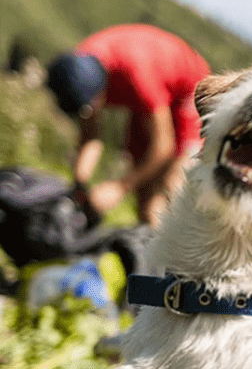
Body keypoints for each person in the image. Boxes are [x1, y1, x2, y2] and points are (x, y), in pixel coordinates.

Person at [46, 24, 210, 226]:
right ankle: (147, 245)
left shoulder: (138, 75)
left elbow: (163, 147)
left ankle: (178, 249)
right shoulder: (79, 70)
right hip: (148, 104)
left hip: (189, 93)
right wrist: (79, 188)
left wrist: (120, 187)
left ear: (100, 94)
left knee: (171, 187)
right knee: (145, 197)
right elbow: (90, 138)